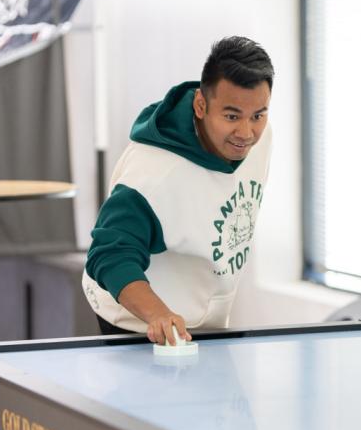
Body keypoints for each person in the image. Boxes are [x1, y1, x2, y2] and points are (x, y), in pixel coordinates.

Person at [83, 36, 274, 345]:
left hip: (207, 319)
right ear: (201, 105)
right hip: (139, 322)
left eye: (258, 116)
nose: (246, 133)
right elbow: (110, 254)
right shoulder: (153, 175)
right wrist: (158, 314)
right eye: (231, 116)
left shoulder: (259, 138)